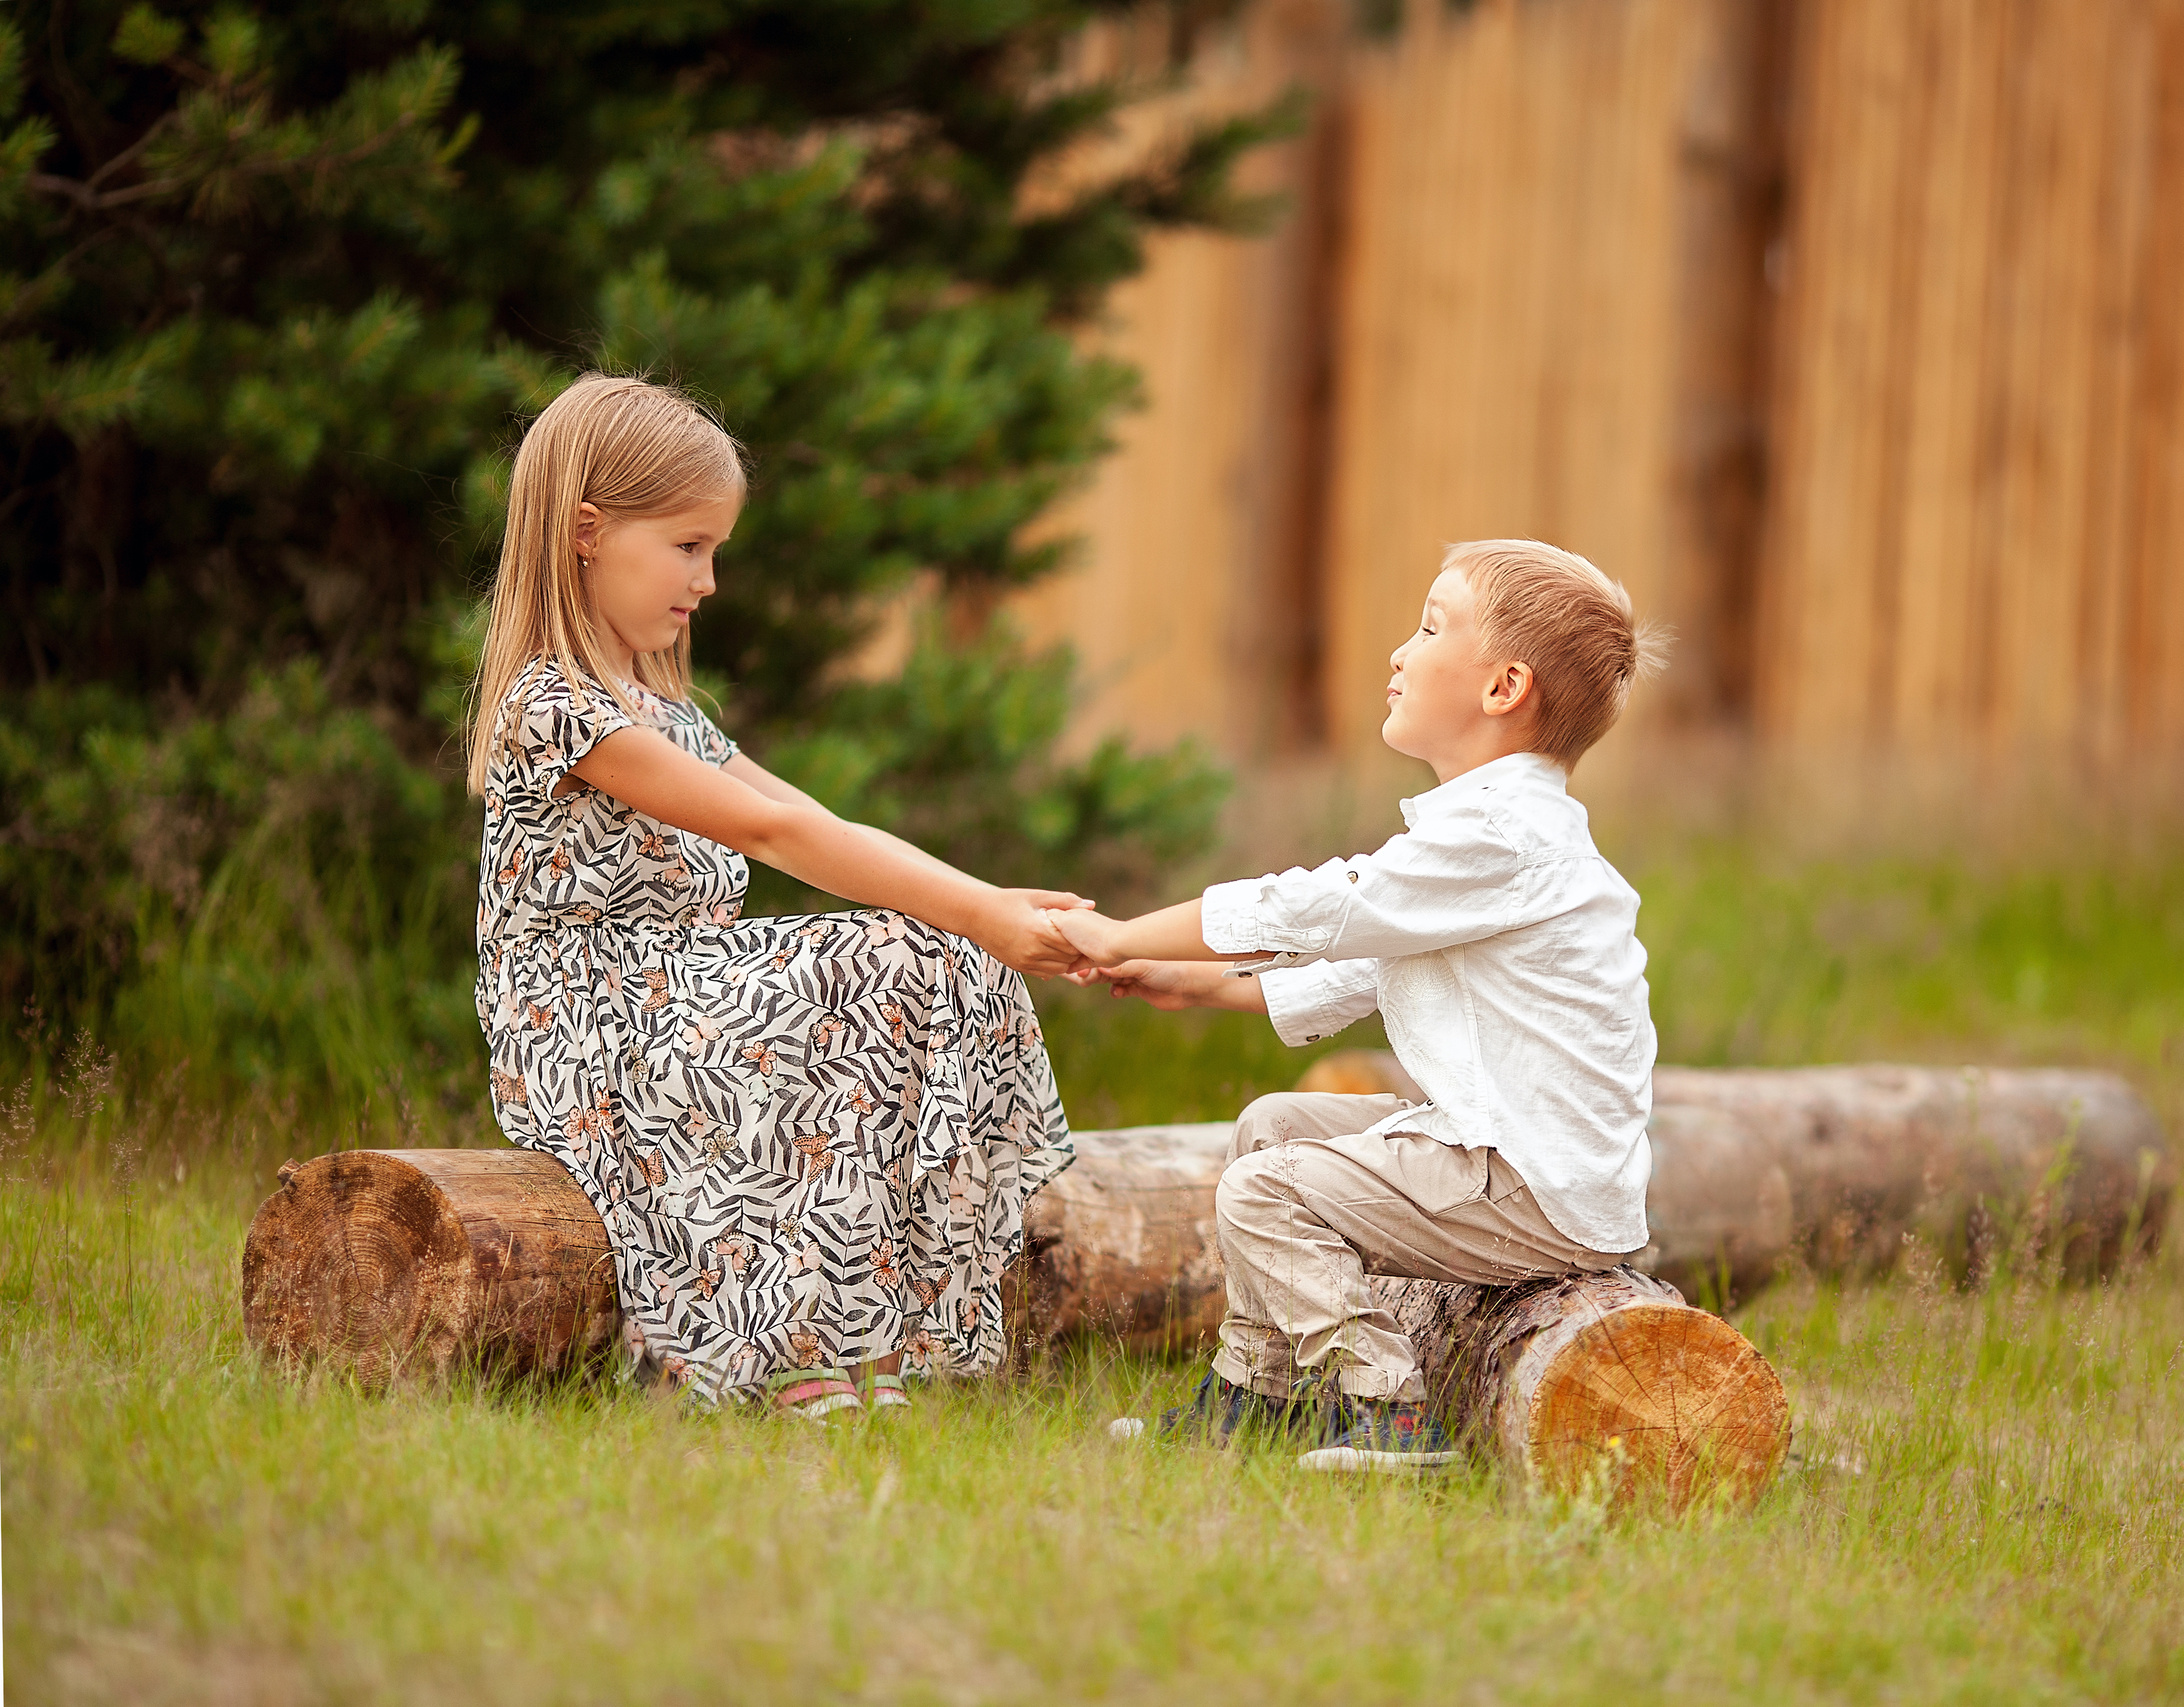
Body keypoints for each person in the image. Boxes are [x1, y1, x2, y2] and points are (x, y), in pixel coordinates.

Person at [467, 373, 1084, 1420]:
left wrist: (983, 905)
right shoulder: (553, 704)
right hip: (584, 1018)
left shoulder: (665, 709)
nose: (706, 581)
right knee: (882, 954)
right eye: (687, 546)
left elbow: (825, 823)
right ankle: (780, 1348)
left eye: (715, 553)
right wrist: (975, 911)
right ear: (585, 531)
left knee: (934, 952)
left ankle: (873, 1338)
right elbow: (773, 835)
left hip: (679, 994)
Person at [1052, 539, 1668, 1472]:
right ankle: (1262, 1392)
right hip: (1504, 1149)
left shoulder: (1503, 834)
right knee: (1270, 1126)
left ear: (1504, 687)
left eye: (1428, 627)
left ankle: (1387, 1407)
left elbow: (1324, 907)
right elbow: (1358, 968)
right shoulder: (1487, 834)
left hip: (1535, 1180)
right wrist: (1197, 981)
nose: (1398, 652)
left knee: (1264, 1190)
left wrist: (1128, 934)